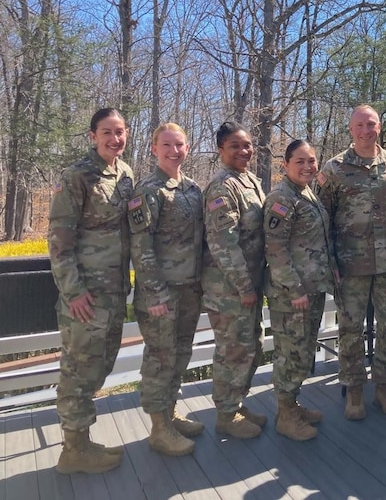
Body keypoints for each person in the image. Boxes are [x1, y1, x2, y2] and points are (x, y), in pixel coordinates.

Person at [49, 108, 134, 474]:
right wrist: (73, 292)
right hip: (84, 296)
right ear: (92, 136)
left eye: (120, 132)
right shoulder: (76, 177)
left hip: (114, 292)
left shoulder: (126, 175)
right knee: (78, 368)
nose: (114, 139)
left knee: (100, 366)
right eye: (106, 133)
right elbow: (59, 242)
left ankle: (82, 439)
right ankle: (74, 449)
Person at [316, 105, 386, 420]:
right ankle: (355, 389)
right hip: (350, 264)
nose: (365, 130)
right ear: (351, 129)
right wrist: (330, 260)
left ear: (379, 127)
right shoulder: (334, 169)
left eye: (371, 124)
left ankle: (384, 386)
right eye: (359, 125)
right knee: (350, 328)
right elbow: (322, 220)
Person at [129, 123, 204, 457]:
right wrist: (154, 293)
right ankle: (159, 428)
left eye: (180, 145)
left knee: (180, 353)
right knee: (160, 359)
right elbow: (140, 246)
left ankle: (170, 413)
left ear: (188, 148)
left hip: (189, 289)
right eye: (167, 145)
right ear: (153, 148)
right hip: (160, 294)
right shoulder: (149, 190)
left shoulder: (192, 189)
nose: (175, 151)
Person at [264, 140, 336, 441]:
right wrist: (294, 289)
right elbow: (275, 248)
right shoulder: (282, 198)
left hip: (312, 287)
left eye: (311, 160)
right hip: (292, 293)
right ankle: (285, 415)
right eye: (300, 162)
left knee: (303, 350)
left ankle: (292, 405)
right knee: (289, 353)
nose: (307, 166)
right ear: (286, 165)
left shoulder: (307, 194)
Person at [202, 121, 267, 439]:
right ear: (220, 150)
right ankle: (225, 414)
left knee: (250, 345)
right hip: (229, 288)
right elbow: (223, 244)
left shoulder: (249, 180)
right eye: (235, 146)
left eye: (247, 145)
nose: (244, 151)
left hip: (250, 283)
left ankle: (237, 402)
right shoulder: (222, 186)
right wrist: (243, 286)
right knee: (232, 350)